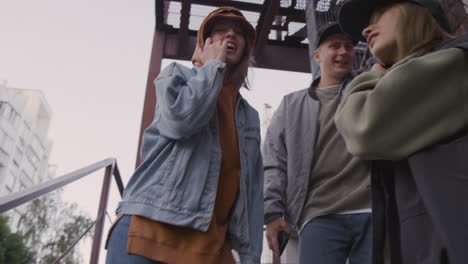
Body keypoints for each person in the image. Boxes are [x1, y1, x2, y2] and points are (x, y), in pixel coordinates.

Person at [105, 7, 264, 264]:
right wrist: (212, 66)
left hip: (210, 251)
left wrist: (250, 256)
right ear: (204, 45)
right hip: (147, 234)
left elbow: (252, 188)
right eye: (221, 30)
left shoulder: (249, 117)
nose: (230, 35)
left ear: (247, 49)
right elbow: (181, 122)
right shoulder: (176, 76)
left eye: (239, 33)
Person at [336, 0, 468, 263]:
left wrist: (371, 76)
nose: (365, 30)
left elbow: (363, 125)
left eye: (380, 13)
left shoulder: (456, 61)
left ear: (419, 12)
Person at [263, 22, 372, 264]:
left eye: (348, 46)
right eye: (335, 46)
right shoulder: (291, 105)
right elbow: (274, 162)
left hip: (371, 211)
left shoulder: (367, 91)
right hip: (319, 214)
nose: (343, 52)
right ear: (317, 55)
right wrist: (271, 213)